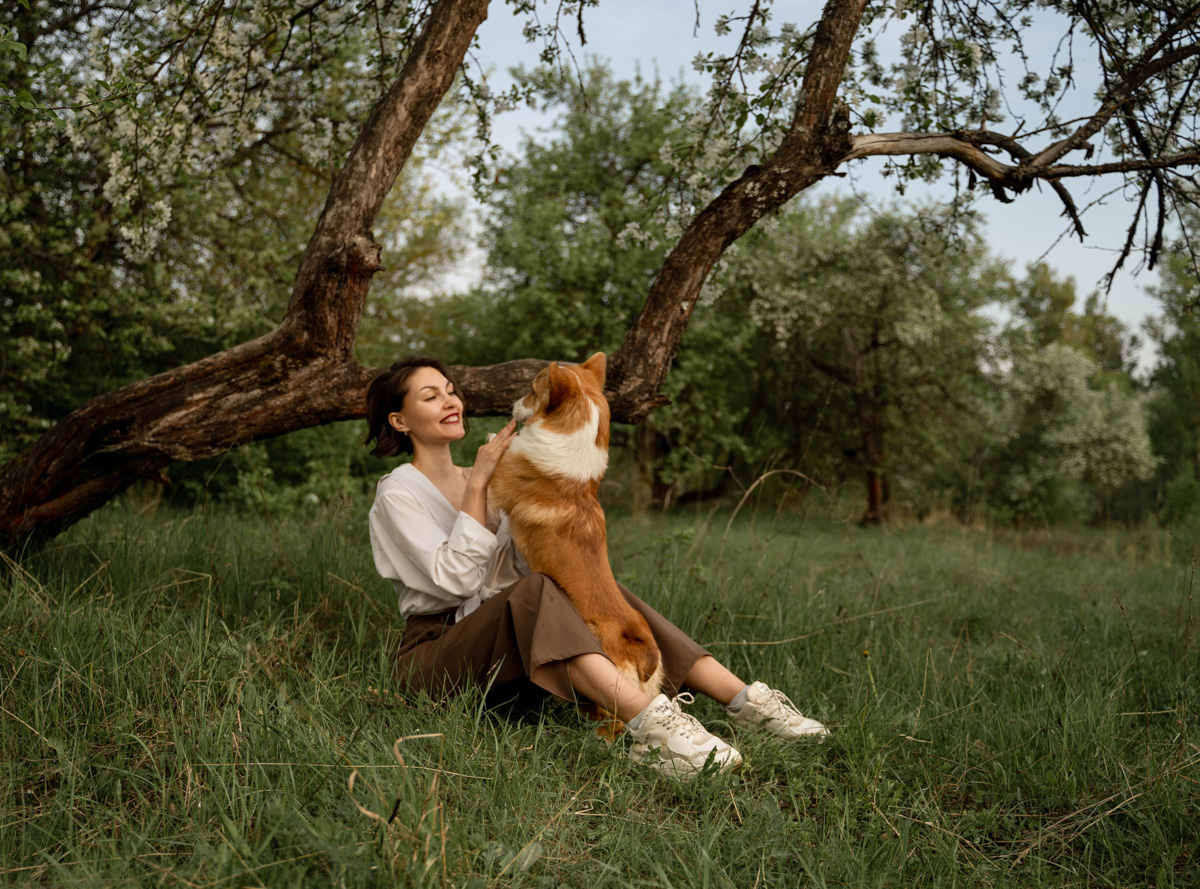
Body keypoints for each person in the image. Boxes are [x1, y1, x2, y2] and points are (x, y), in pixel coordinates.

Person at [365, 356, 828, 777]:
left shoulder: (490, 475)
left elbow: (530, 568)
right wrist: (479, 488)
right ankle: (653, 725)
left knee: (601, 589)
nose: (450, 401)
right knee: (536, 594)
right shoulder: (398, 493)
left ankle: (749, 703)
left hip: (509, 653)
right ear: (399, 420)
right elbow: (456, 584)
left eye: (451, 390)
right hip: (438, 658)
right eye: (431, 396)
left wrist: (540, 481)